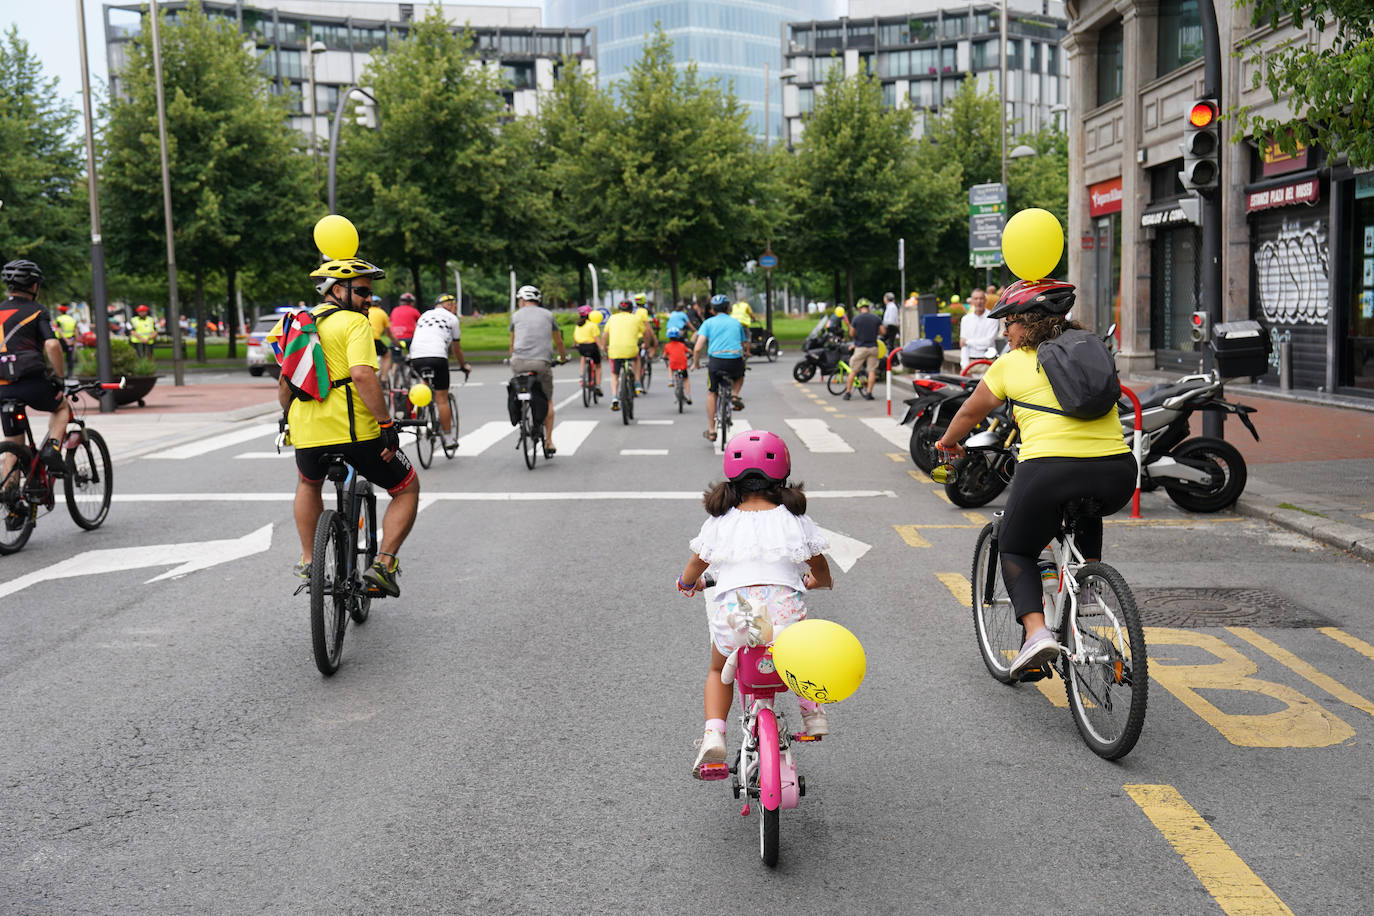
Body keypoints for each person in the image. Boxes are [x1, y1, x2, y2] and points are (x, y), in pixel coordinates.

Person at [935, 279, 1136, 678]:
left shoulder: (1011, 364)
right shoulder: (1089, 351)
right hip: (1117, 471)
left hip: (1050, 469)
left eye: (1008, 322)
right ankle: (1088, 583)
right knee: (1085, 504)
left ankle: (1036, 633)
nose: (1004, 331)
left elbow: (970, 413)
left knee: (1014, 546)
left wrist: (948, 444)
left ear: (1026, 324)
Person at [676, 430, 834, 777]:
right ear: (783, 475)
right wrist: (818, 581)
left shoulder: (720, 520)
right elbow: (819, 567)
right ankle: (813, 712)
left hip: (739, 615)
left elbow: (695, 566)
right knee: (798, 654)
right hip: (783, 615)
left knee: (719, 669)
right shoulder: (795, 518)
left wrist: (688, 583)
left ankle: (714, 734)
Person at [278, 256, 418, 598]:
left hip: (308, 434)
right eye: (363, 292)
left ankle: (311, 561)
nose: (369, 299)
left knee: (308, 484)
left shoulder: (299, 323)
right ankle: (383, 565)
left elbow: (285, 387)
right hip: (356, 434)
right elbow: (362, 374)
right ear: (338, 290)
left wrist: (289, 418)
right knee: (406, 488)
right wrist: (386, 423)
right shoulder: (354, 324)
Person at [0, 259, 71, 476]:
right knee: (61, 408)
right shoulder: (38, 310)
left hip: (2, 386)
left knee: (13, 447)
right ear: (33, 286)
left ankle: (10, 501)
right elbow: (52, 345)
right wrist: (59, 377)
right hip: (30, 382)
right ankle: (53, 448)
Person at [509, 284, 567, 455]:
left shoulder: (515, 316)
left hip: (518, 362)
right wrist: (563, 358)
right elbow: (559, 342)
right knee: (547, 400)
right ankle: (548, 441)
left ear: (522, 300)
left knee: (520, 386)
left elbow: (512, 344)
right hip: (541, 363)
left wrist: (512, 358)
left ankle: (521, 409)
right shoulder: (548, 315)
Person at [408, 293, 470, 448]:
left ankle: (420, 410)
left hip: (416, 357)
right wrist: (463, 366)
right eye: (454, 305)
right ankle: (449, 439)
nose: (455, 308)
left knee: (426, 384)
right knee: (441, 399)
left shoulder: (424, 315)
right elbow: (456, 349)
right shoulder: (452, 319)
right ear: (448, 305)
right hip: (437, 357)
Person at [692, 294, 747, 440]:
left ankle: (711, 430)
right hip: (734, 360)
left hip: (716, 361)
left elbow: (697, 348)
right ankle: (735, 395)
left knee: (712, 393)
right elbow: (742, 346)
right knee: (740, 374)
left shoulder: (708, 323)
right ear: (728, 308)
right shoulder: (736, 323)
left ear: (712, 310)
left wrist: (695, 363)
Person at [602, 299, 650, 411]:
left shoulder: (612, 318)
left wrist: (604, 348)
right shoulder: (636, 318)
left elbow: (604, 335)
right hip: (631, 350)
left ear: (619, 309)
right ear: (631, 310)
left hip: (614, 351)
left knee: (615, 374)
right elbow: (646, 333)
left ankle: (614, 397)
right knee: (637, 358)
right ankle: (638, 382)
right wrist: (646, 344)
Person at [844, 299, 882, 401]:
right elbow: (883, 331)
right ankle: (869, 393)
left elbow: (851, 333)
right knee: (872, 371)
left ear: (859, 308)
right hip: (873, 347)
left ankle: (848, 393)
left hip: (861, 348)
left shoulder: (856, 319)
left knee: (853, 371)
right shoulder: (876, 318)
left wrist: (858, 335)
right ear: (868, 308)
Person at [958, 287, 1001, 369]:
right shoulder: (965, 319)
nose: (979, 301)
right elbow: (964, 347)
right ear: (972, 301)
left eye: (981, 298)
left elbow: (988, 342)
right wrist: (964, 367)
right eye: (976, 299)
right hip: (971, 363)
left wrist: (968, 341)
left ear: (985, 300)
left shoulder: (992, 318)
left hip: (988, 362)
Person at [572, 305, 604, 397]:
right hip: (592, 347)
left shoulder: (578, 325)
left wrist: (574, 345)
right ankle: (597, 385)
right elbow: (596, 338)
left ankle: (582, 374)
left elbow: (575, 337)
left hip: (582, 347)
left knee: (583, 356)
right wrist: (601, 347)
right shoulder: (592, 325)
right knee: (598, 366)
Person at [367, 295, 394, 380]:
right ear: (379, 304)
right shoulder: (382, 313)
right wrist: (397, 343)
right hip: (374, 339)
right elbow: (388, 334)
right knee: (386, 355)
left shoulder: (366, 311)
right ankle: (383, 378)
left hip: (364, 339)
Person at [664, 327, 692, 405]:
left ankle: (671, 379)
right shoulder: (682, 345)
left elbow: (665, 355)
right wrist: (691, 352)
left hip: (673, 364)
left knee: (670, 366)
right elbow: (688, 351)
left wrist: (664, 357)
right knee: (686, 379)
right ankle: (688, 395)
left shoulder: (667, 346)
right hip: (683, 365)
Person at [389, 291, 421, 356]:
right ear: (411, 302)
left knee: (396, 361)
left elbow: (391, 322)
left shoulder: (395, 310)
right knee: (415, 356)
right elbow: (421, 322)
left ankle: (395, 365)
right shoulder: (414, 310)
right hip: (409, 338)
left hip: (395, 338)